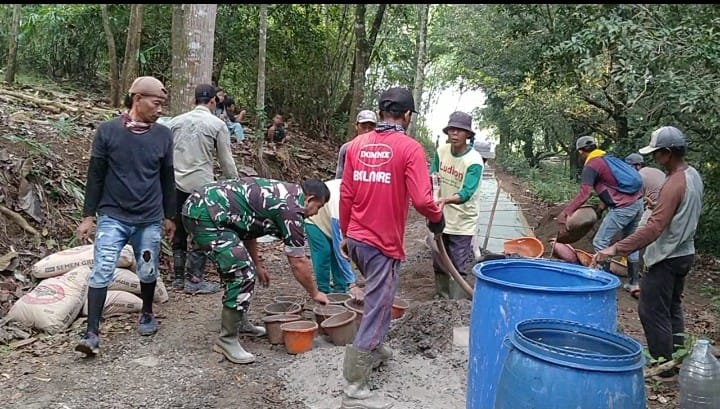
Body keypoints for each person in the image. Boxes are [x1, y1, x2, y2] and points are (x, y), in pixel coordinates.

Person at [339, 86, 444, 408]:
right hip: (382, 244)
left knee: (377, 298)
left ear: (380, 111)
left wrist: (345, 233)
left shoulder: (357, 145)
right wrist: (437, 218)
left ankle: (378, 349)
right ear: (408, 115)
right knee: (379, 306)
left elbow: (346, 194)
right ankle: (354, 385)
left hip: (356, 239)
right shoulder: (409, 149)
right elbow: (425, 200)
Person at [74, 76, 176, 356]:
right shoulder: (108, 131)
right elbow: (95, 175)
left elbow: (168, 177)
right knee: (102, 268)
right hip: (113, 215)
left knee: (147, 267)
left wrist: (170, 216)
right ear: (137, 99)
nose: (160, 109)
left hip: (149, 216)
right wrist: (88, 216)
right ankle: (91, 333)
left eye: (162, 104)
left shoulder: (163, 135)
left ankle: (146, 312)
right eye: (156, 103)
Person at [181, 177, 331, 364]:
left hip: (208, 208)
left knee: (246, 269)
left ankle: (239, 322)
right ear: (309, 199)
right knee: (242, 274)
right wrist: (315, 293)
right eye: (319, 206)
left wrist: (258, 264)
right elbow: (298, 261)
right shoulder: (292, 208)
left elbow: (247, 228)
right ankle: (226, 340)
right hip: (206, 215)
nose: (315, 213)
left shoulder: (284, 194)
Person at [595, 126, 703, 379]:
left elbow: (655, 228)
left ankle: (661, 367)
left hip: (667, 256)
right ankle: (676, 358)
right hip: (685, 253)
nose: (654, 158)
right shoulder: (692, 175)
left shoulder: (674, 182)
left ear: (667, 153)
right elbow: (680, 213)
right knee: (671, 307)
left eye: (657, 153)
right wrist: (658, 206)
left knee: (651, 310)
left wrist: (616, 247)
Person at [167, 84, 239, 294]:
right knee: (202, 231)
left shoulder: (175, 122)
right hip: (201, 187)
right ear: (213, 102)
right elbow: (226, 161)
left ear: (193, 100)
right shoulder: (216, 124)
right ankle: (195, 278)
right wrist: (234, 184)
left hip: (175, 184)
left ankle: (178, 278)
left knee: (178, 229)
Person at [558, 135, 643, 292]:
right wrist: (600, 209)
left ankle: (603, 283)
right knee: (631, 242)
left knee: (600, 242)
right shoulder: (607, 158)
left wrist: (566, 213)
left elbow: (584, 194)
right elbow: (610, 187)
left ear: (581, 151)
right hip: (638, 203)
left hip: (623, 208)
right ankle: (634, 282)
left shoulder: (592, 164)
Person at [429, 111, 484, 300]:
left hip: (462, 220)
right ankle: (441, 298)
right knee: (439, 259)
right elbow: (433, 175)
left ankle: (456, 304)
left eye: (459, 130)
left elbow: (466, 193)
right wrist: (431, 193)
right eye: (451, 129)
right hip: (440, 217)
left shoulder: (474, 161)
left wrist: (445, 200)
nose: (454, 134)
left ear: (468, 134)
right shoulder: (441, 151)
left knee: (457, 264)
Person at [305, 179, 358, 294]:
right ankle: (323, 291)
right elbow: (341, 248)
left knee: (337, 255)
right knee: (324, 253)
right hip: (315, 220)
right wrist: (352, 283)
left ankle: (341, 290)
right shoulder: (339, 202)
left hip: (332, 220)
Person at [335, 110, 377, 179]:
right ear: (356, 126)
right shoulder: (346, 148)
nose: (367, 130)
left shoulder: (380, 149)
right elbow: (340, 173)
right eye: (363, 127)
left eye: (370, 127)